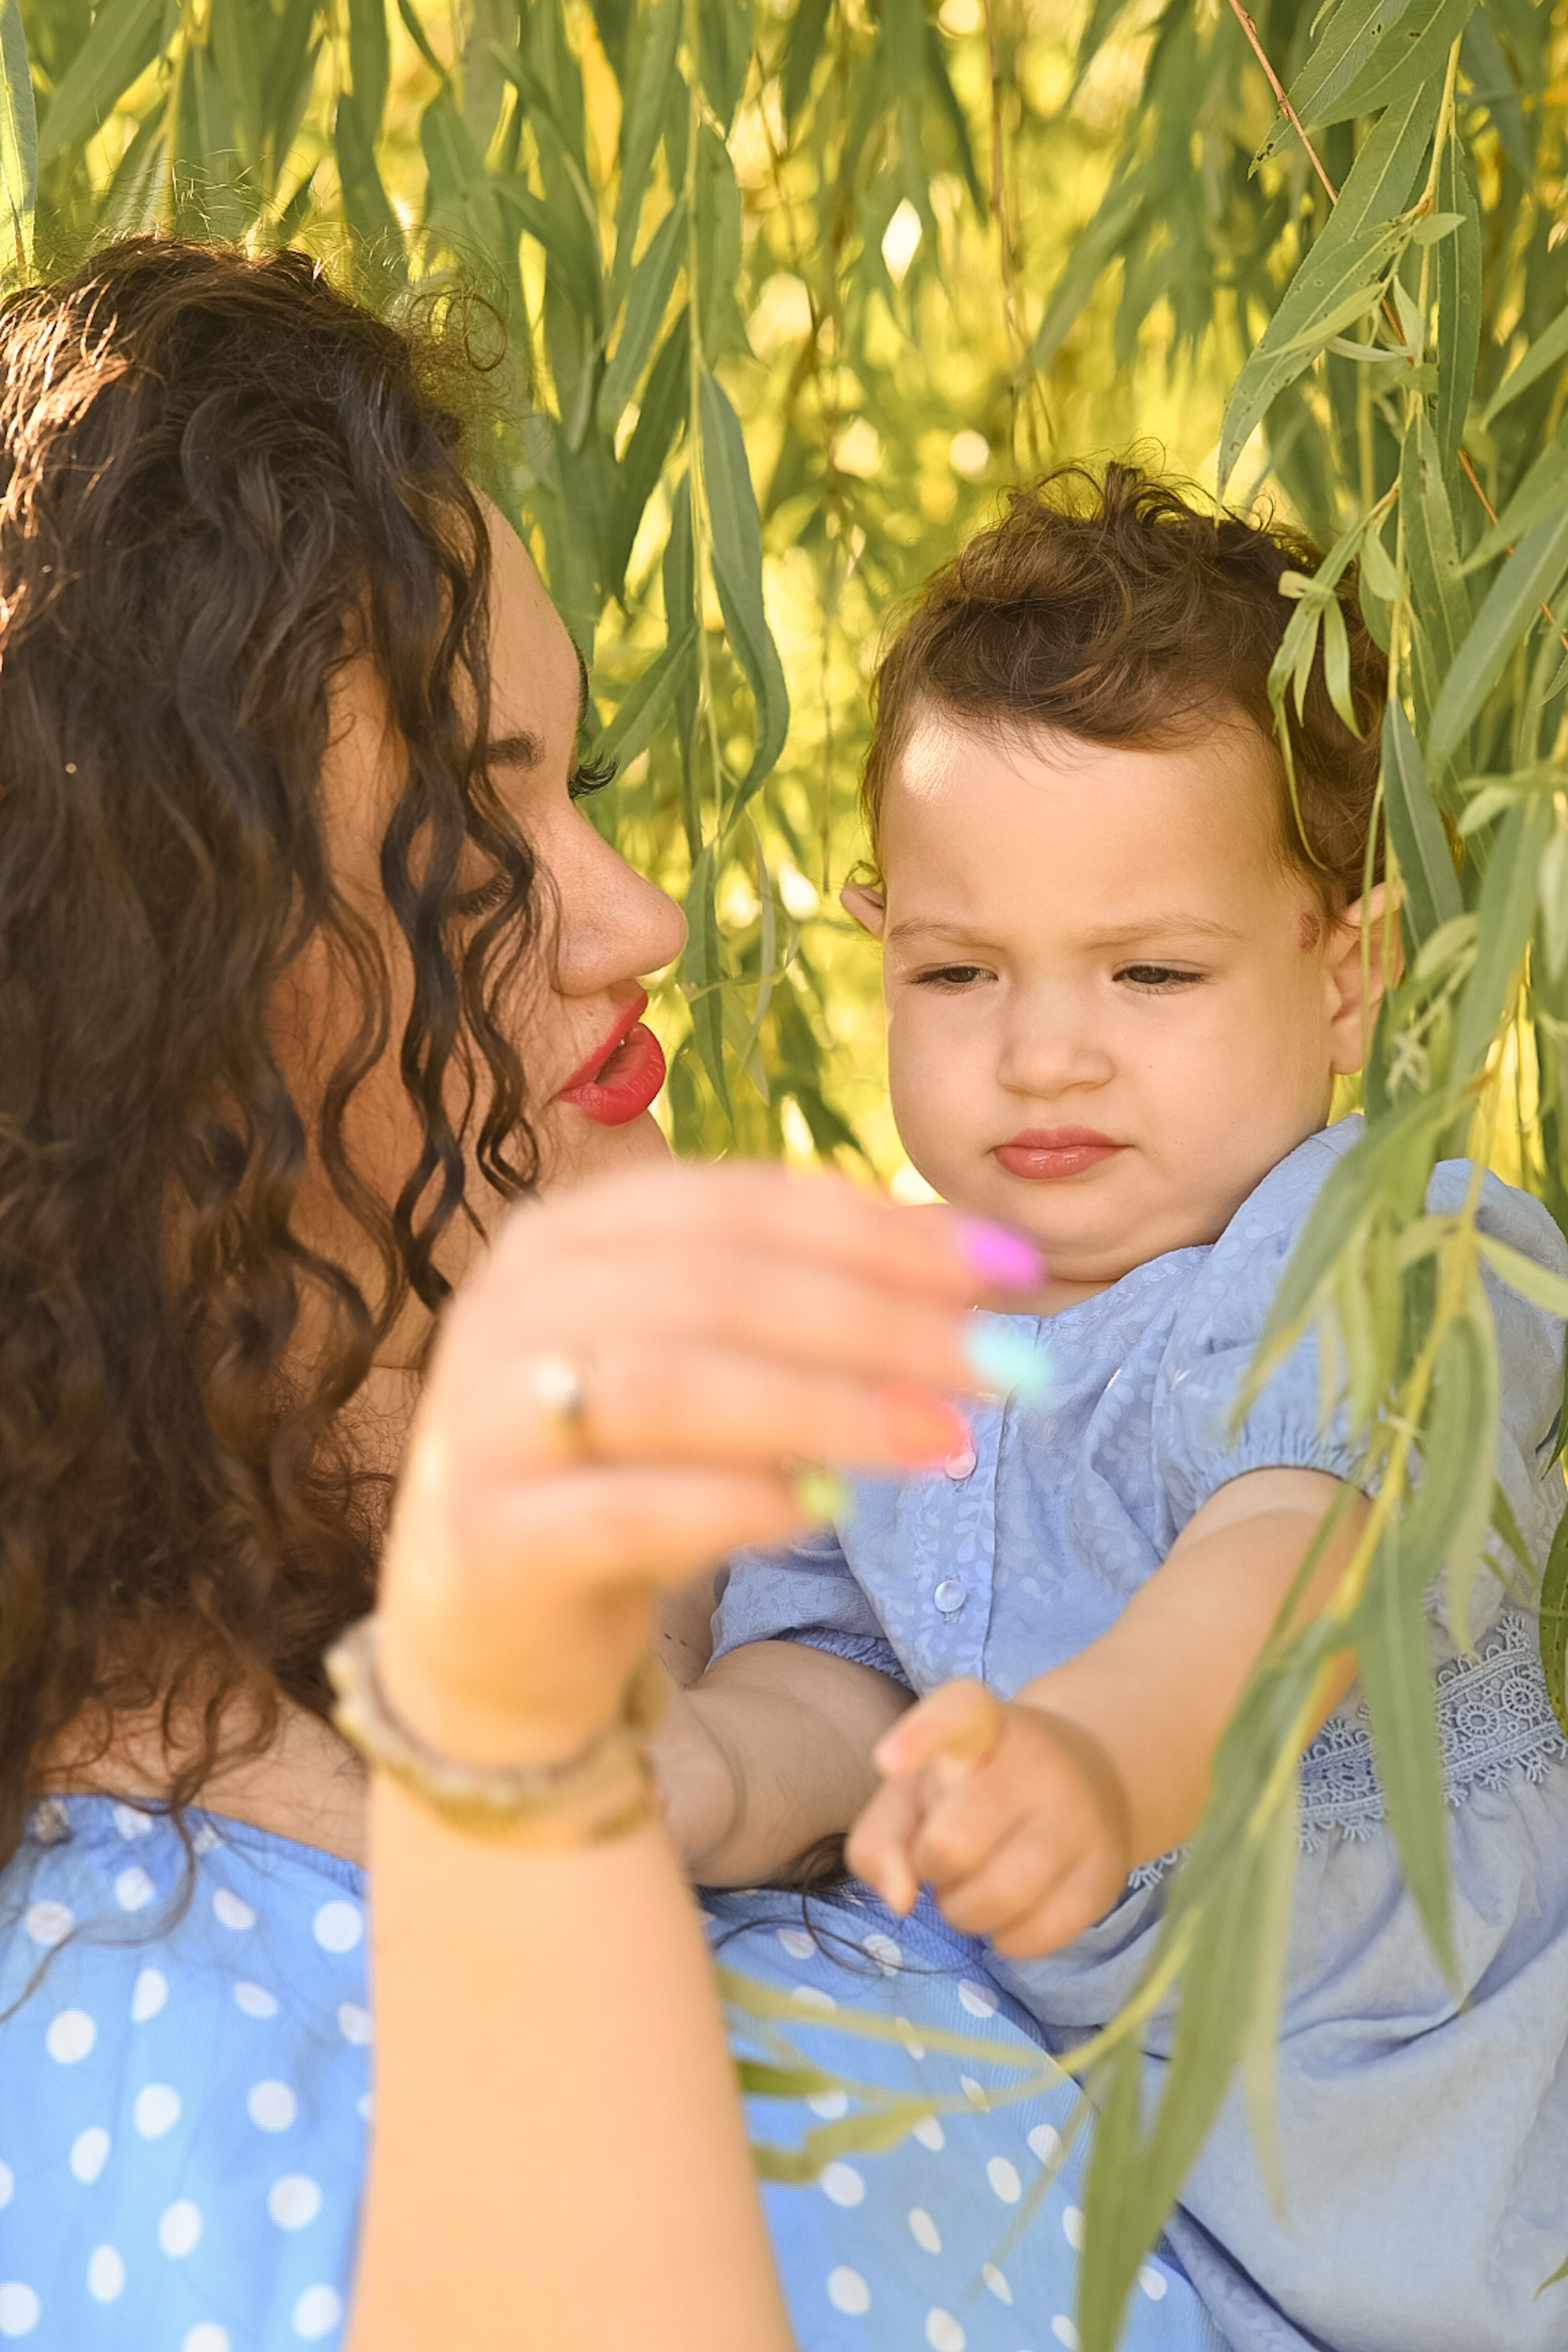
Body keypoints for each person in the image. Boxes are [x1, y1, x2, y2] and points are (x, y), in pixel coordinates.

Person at [0, 241, 1228, 2352]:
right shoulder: (134, 2042)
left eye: (578, 785)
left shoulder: (817, 1573)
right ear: (149, 1010)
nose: (641, 916)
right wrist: (511, 1754)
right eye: (474, 833)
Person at [660, 468, 1568, 2351]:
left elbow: (1295, 1561)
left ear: (1347, 973)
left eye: (1151, 970)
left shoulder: (1382, 1239)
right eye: (959, 970)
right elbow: (839, 1674)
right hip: (1107, 2186)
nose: (1045, 1050)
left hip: (1433, 2168)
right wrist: (703, 1777)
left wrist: (1091, 1758)